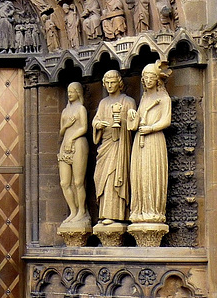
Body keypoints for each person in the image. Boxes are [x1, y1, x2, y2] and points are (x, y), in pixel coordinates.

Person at [128, 61, 172, 223]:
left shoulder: (163, 98)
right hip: (140, 140)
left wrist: (151, 128)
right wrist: (132, 115)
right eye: (145, 77)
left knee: (151, 173)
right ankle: (139, 210)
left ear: (157, 79)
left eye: (151, 77)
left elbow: (166, 121)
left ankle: (152, 210)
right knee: (139, 174)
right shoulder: (145, 98)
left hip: (154, 139)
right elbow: (137, 120)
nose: (147, 80)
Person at [92, 70, 136, 225]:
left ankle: (118, 214)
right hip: (106, 145)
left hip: (120, 146)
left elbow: (133, 124)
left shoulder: (128, 101)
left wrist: (124, 120)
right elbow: (96, 121)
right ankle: (104, 213)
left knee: (115, 177)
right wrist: (97, 125)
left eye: (113, 82)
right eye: (107, 83)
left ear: (119, 83)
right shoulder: (103, 103)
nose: (110, 86)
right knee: (102, 178)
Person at [58, 82, 90, 225]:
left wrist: (71, 138)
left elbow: (84, 127)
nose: (69, 94)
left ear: (78, 92)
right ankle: (73, 211)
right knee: (65, 183)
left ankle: (82, 211)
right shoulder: (65, 112)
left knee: (78, 182)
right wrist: (67, 125)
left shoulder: (81, 109)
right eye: (68, 91)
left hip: (78, 144)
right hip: (65, 145)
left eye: (72, 91)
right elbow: (61, 132)